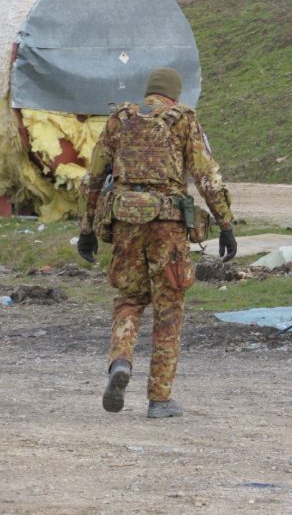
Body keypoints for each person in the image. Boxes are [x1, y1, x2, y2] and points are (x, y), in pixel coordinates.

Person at [77, 67, 237, 418]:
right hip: (168, 228)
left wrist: (87, 229)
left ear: (149, 92)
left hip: (126, 224)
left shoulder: (120, 120)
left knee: (129, 299)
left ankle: (121, 362)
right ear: (175, 94)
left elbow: (93, 178)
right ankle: (159, 399)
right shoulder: (184, 120)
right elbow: (207, 176)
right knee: (169, 308)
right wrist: (225, 224)